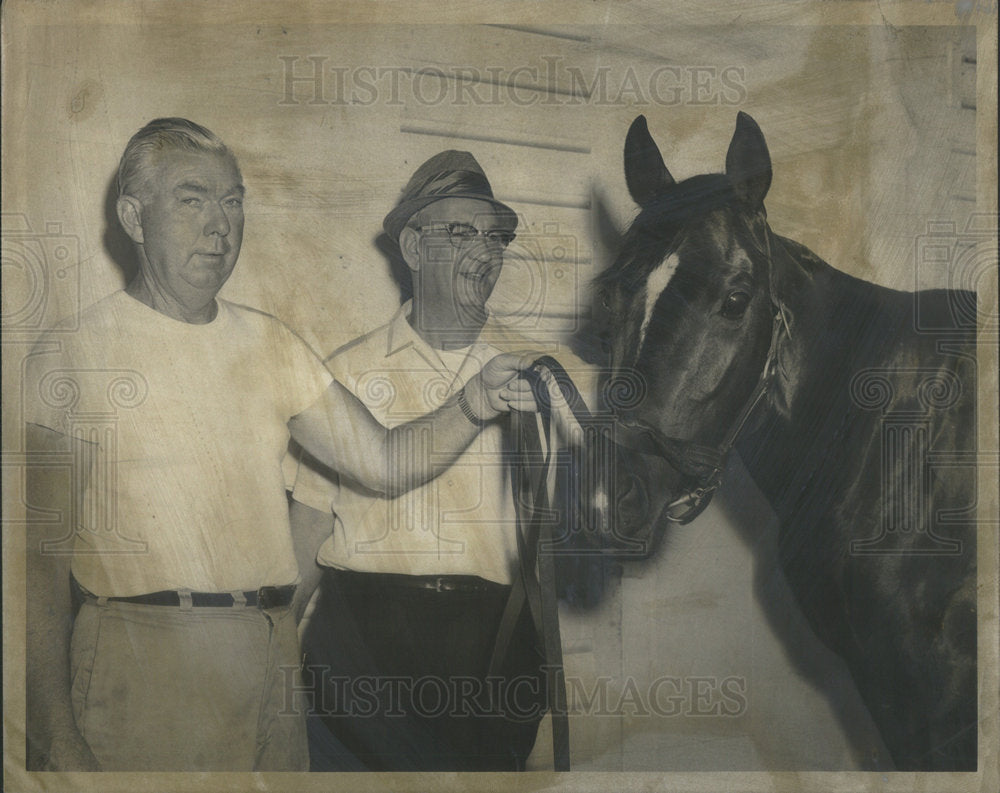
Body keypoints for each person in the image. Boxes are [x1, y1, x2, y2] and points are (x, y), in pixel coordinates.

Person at [23, 119, 538, 772]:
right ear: (133, 215)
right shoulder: (71, 352)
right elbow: (33, 570)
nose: (220, 224)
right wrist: (53, 733)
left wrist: (474, 401)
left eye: (233, 201)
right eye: (192, 198)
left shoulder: (272, 344)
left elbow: (382, 463)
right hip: (139, 658)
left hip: (265, 660)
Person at [288, 150, 593, 771]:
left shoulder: (546, 374)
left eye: (494, 236)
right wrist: (266, 669)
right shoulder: (344, 373)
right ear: (413, 247)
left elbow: (594, 532)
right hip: (356, 655)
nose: (484, 251)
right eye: (459, 232)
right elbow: (303, 542)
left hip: (491, 653)